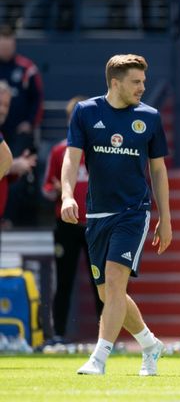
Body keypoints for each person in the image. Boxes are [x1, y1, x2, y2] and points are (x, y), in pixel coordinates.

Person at [64, 54, 171, 375]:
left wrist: (165, 218)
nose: (143, 87)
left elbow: (159, 170)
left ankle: (99, 358)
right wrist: (67, 195)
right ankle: (150, 344)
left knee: (114, 282)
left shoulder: (150, 117)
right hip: (97, 215)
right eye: (136, 82)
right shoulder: (86, 112)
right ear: (115, 82)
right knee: (109, 293)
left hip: (133, 212)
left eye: (143, 81)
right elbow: (71, 160)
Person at [42, 95, 103, 343]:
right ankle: (58, 335)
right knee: (64, 280)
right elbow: (46, 188)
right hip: (66, 223)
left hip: (97, 223)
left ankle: (105, 338)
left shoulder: (101, 148)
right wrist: (56, 190)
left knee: (102, 283)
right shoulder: (59, 151)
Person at [0, 25, 43, 226]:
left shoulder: (27, 68)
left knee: (16, 175)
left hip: (17, 133)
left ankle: (7, 219)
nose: (5, 51)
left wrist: (30, 123)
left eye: (8, 46)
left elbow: (37, 99)